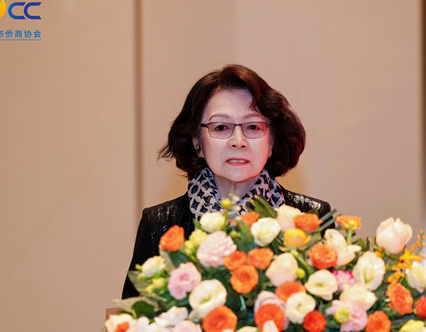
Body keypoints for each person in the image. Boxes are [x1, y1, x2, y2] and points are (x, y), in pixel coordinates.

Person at [122, 64, 331, 299]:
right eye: (221, 127)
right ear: (197, 142)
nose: (238, 141)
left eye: (253, 127)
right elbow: (134, 317)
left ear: (271, 141)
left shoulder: (312, 218)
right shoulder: (160, 225)